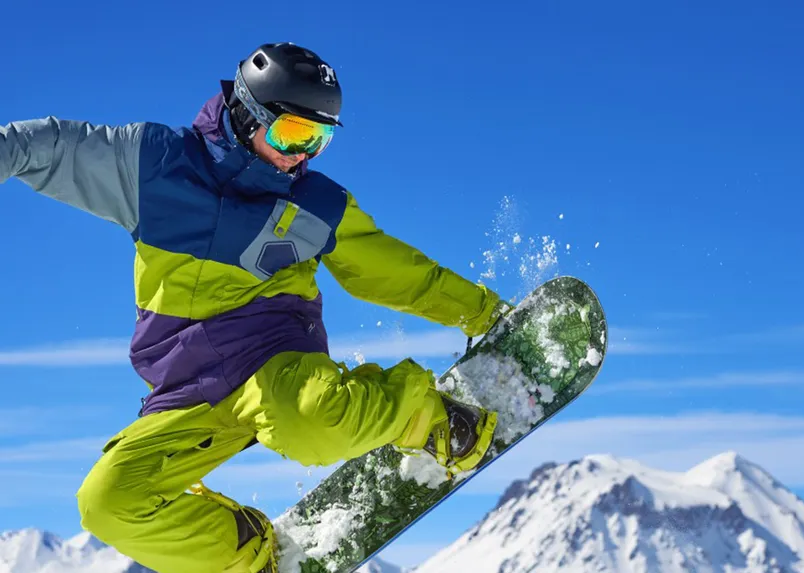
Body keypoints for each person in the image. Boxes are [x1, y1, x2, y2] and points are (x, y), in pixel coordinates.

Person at [0, 42, 507, 573]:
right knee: (107, 503)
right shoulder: (152, 166)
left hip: (274, 358)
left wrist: (482, 312)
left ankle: (424, 415)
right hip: (185, 387)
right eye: (292, 134)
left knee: (309, 422)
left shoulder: (317, 205)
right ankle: (246, 552)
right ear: (246, 113)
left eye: (319, 139)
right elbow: (53, 147)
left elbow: (396, 274)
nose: (301, 155)